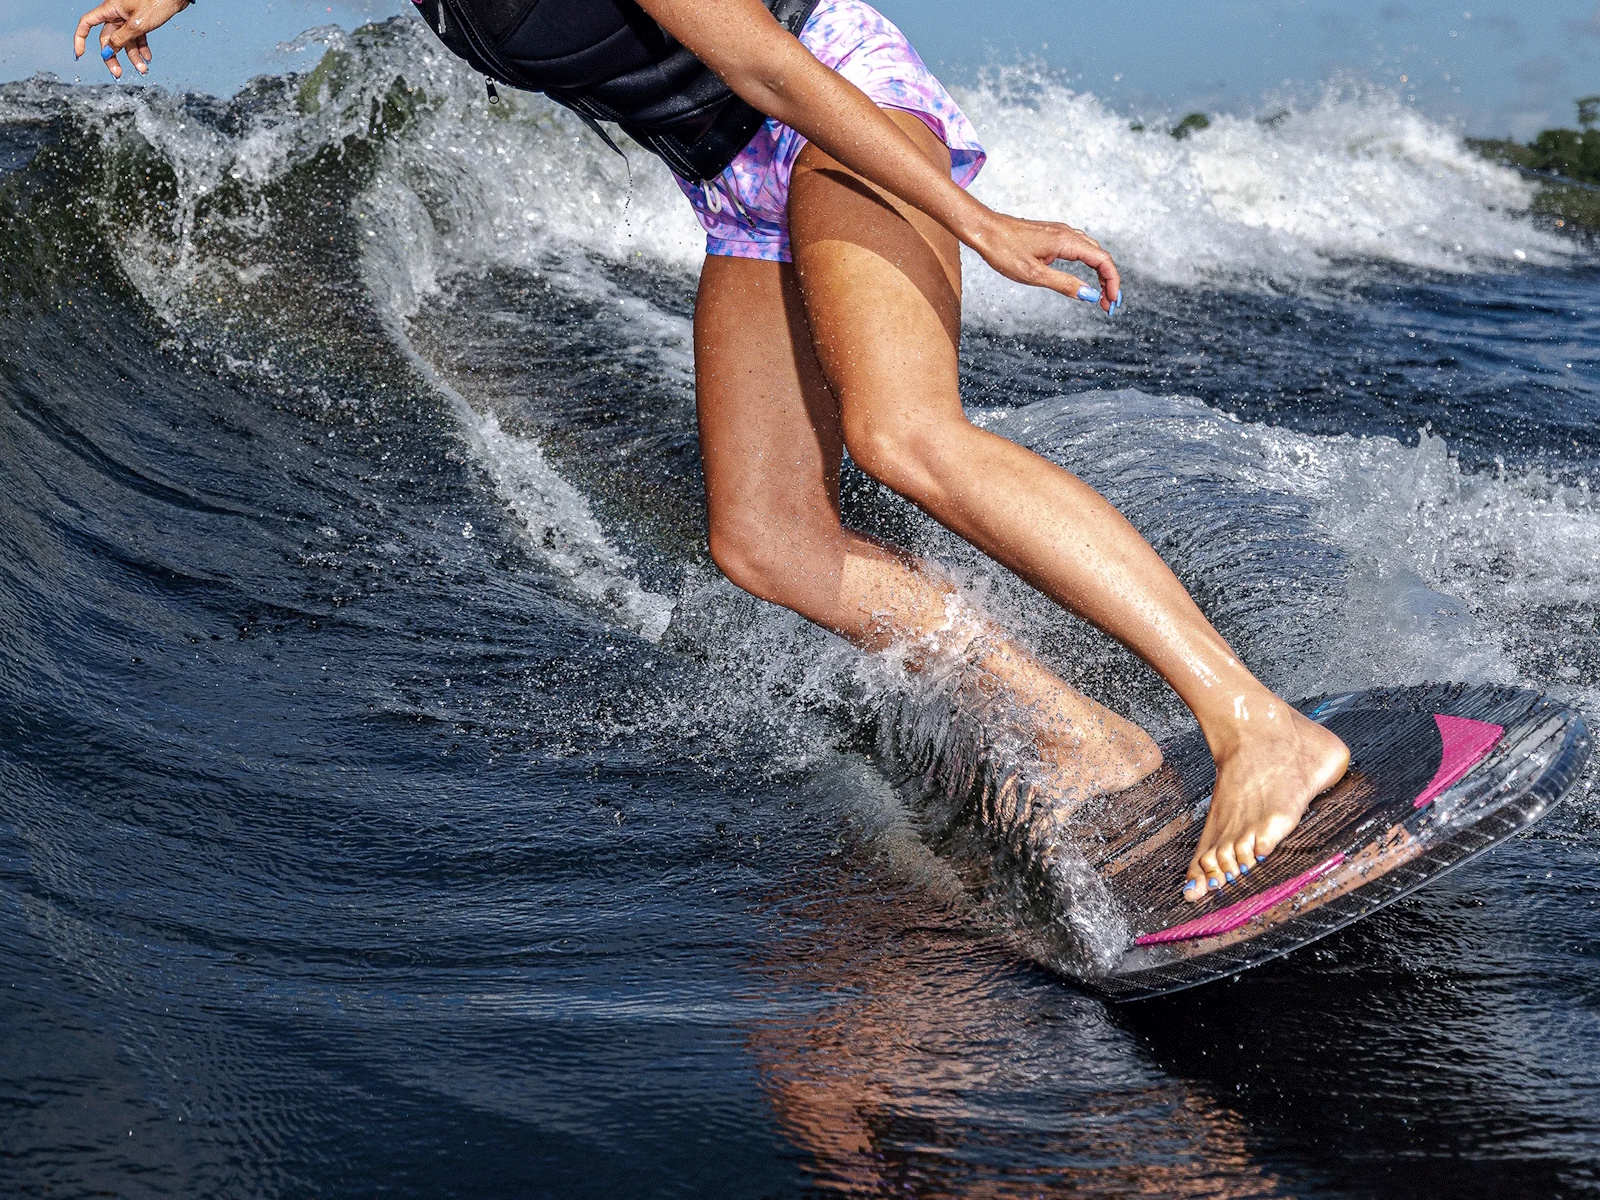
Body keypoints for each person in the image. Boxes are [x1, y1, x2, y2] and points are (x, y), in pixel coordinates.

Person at [72, 0, 1349, 902]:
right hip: (735, 188)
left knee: (902, 434)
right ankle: (1083, 739)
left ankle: (1254, 723)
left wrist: (979, 220)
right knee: (766, 541)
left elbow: (772, 71)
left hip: (838, 120)